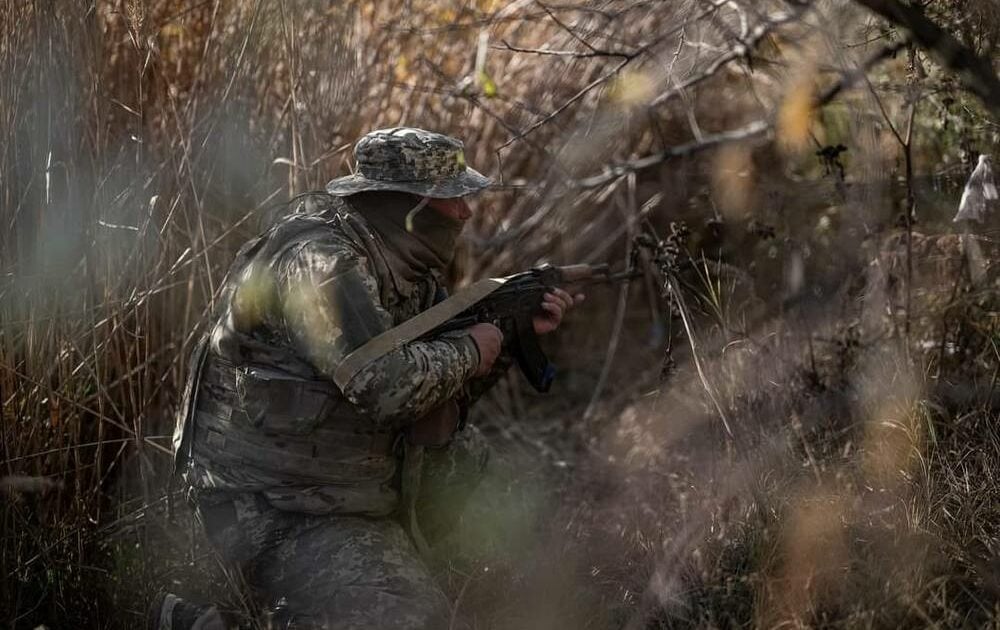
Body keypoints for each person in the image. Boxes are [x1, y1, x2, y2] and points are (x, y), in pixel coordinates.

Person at [152, 128, 581, 629]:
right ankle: (197, 623)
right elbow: (386, 388)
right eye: (451, 200)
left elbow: (438, 403)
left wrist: (508, 335)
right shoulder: (321, 264)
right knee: (405, 618)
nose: (465, 213)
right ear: (410, 209)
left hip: (334, 483)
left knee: (492, 487)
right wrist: (470, 349)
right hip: (265, 503)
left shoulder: (404, 267)